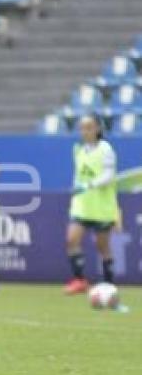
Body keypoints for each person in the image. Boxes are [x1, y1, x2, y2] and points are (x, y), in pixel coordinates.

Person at [64, 114, 119, 295]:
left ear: (98, 129)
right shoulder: (78, 149)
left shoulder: (106, 149)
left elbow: (108, 175)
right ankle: (80, 280)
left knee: (102, 247)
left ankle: (109, 285)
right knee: (71, 240)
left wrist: (88, 185)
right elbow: (79, 175)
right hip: (82, 205)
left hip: (102, 207)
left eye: (89, 127)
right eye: (82, 128)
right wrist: (75, 192)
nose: (85, 132)